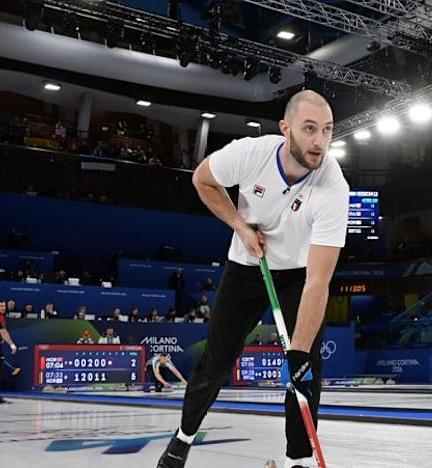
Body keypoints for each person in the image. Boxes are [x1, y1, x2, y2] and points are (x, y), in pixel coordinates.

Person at [156, 90, 349, 468]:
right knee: (217, 360)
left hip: (298, 274)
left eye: (326, 130)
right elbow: (203, 180)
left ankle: (298, 460)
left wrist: (297, 354)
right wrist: (241, 227)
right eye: (309, 129)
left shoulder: (333, 186)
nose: (319, 141)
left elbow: (318, 281)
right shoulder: (250, 154)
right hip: (247, 265)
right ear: (285, 129)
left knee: (306, 368)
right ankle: (183, 437)